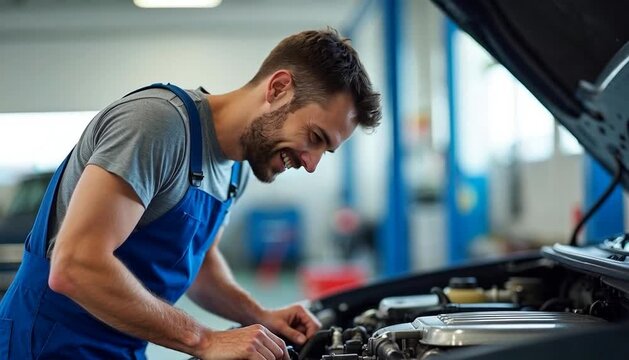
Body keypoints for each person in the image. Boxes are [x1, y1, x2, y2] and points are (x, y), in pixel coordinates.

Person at [0, 28, 381, 359]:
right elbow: (75, 266)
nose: (311, 163)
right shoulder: (157, 125)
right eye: (314, 138)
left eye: (324, 151)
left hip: (121, 347)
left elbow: (199, 264)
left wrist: (259, 315)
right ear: (279, 88)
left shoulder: (236, 169)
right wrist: (203, 339)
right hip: (43, 346)